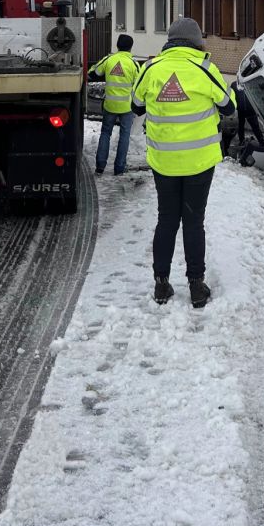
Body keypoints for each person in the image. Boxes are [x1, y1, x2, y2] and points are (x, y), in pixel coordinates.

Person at [131, 16, 234, 308]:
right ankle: (197, 286)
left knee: (166, 219)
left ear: (170, 41)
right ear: (197, 41)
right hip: (200, 163)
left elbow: (135, 106)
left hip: (163, 160)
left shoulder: (151, 68)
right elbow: (228, 106)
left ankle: (161, 285)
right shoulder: (205, 68)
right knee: (193, 221)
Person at [90, 34, 139, 176]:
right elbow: (140, 84)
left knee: (105, 133)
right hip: (127, 107)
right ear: (130, 47)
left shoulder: (109, 59)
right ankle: (119, 168)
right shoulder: (133, 63)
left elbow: (94, 72)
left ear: (117, 46)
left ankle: (100, 166)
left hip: (110, 105)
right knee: (125, 135)